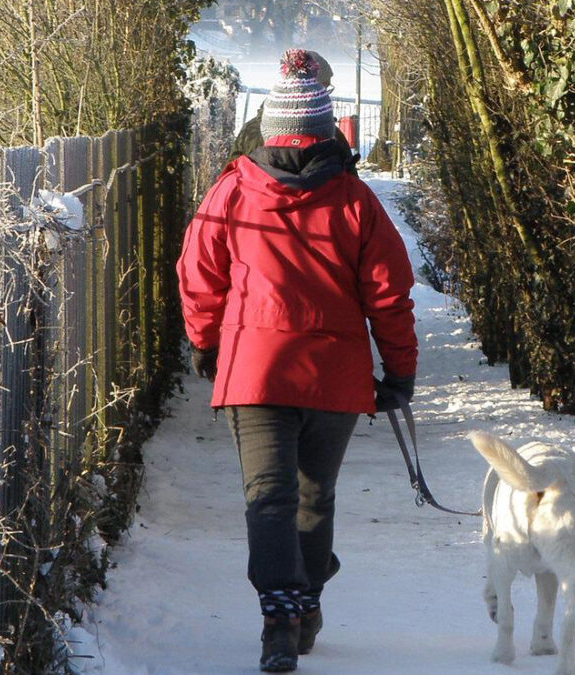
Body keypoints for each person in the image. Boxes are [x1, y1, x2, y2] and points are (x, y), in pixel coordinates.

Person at [177, 48, 418, 673]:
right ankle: (303, 599)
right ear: (326, 129)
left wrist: (207, 344)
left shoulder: (230, 192)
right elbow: (390, 293)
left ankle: (280, 616)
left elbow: (197, 276)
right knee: (315, 496)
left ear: (269, 127)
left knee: (269, 498)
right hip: (333, 379)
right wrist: (399, 372)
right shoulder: (355, 201)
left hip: (253, 371)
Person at [228, 49, 356, 166]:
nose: (325, 94)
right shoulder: (333, 139)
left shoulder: (251, 130)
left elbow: (229, 179)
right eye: (323, 88)